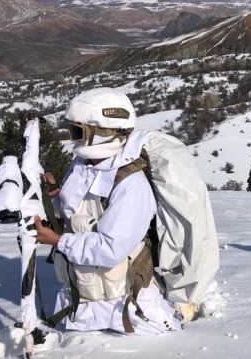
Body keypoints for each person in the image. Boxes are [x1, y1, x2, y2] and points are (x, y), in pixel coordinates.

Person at [34, 88, 180, 334]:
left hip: (128, 316)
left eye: (77, 132)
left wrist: (57, 241)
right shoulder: (82, 166)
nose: (73, 138)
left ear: (101, 132)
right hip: (79, 307)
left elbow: (109, 249)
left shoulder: (130, 184)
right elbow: (78, 215)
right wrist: (55, 199)